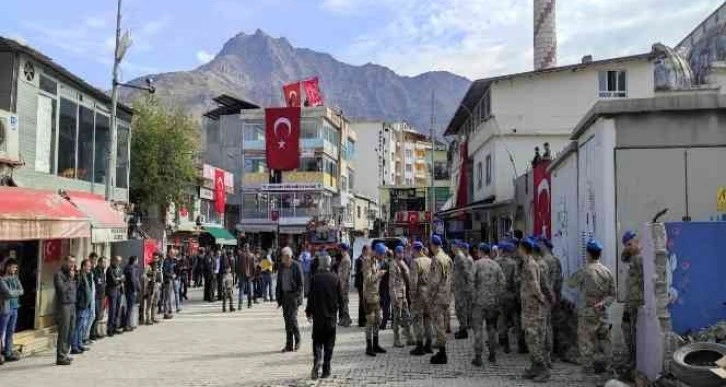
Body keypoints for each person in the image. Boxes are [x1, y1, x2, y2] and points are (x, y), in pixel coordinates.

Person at [568, 239, 616, 375]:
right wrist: (603, 303)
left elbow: (570, 283)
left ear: (588, 254)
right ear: (600, 254)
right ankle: (610, 368)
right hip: (602, 312)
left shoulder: (584, 271)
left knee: (586, 341)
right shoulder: (607, 272)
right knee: (605, 341)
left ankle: (588, 369)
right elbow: (613, 294)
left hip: (587, 313)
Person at [305, 253, 342, 380]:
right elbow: (341, 298)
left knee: (317, 342)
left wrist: (308, 312)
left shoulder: (315, 278)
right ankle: (326, 368)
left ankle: (317, 360)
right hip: (331, 317)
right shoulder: (335, 278)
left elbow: (310, 297)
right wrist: (342, 314)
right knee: (329, 344)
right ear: (329, 264)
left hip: (318, 317)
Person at [520, 237, 550, 382]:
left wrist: (541, 299)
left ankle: (543, 369)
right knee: (529, 338)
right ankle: (534, 367)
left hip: (533, 309)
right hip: (528, 307)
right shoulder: (527, 263)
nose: (518, 251)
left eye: (519, 248)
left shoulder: (530, 264)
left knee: (533, 339)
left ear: (523, 249)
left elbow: (534, 285)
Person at [470, 243, 505, 366]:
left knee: (478, 329)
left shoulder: (477, 264)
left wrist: (473, 298)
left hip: (479, 303)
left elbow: (470, 281)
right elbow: (502, 283)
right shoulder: (496, 265)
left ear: (480, 252)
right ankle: (492, 355)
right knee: (491, 328)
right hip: (492, 303)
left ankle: (478, 357)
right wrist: (497, 298)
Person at [427, 235, 453, 365]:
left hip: (437, 297)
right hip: (446, 295)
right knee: (442, 323)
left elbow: (434, 281)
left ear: (433, 245)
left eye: (430, 245)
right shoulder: (447, 258)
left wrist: (429, 295)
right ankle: (442, 352)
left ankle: (442, 354)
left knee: (439, 325)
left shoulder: (437, 259)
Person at [621, 230, 643, 379]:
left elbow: (644, 282)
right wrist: (629, 249)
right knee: (626, 328)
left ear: (636, 241)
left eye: (631, 243)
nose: (629, 247)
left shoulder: (640, 259)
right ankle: (631, 359)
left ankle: (634, 362)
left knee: (634, 333)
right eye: (626, 245)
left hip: (636, 302)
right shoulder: (632, 258)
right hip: (629, 302)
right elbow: (623, 258)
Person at [276, 246, 304, 352]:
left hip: (293, 297)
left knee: (292, 319)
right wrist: (278, 297)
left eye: (283, 257)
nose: (282, 259)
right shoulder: (281, 267)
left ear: (288, 257)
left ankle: (298, 340)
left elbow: (301, 284)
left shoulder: (296, 266)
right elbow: (279, 283)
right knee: (287, 321)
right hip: (285, 296)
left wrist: (297, 297)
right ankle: (289, 345)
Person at [409, 241, 433, 356]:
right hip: (429, 293)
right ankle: (429, 344)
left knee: (417, 319)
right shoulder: (430, 261)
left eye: (412, 250)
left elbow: (413, 281)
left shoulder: (415, 262)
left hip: (419, 294)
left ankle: (419, 346)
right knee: (428, 319)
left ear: (415, 250)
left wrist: (412, 296)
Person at [495, 241, 520, 354]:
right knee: (516, 319)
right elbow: (515, 281)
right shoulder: (513, 263)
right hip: (511, 295)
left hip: (500, 296)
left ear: (502, 251)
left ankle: (505, 344)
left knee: (502, 320)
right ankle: (521, 343)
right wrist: (517, 295)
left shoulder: (495, 263)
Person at [363, 243, 387, 356]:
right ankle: (369, 346)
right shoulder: (368, 262)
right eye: (382, 254)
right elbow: (368, 280)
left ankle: (376, 344)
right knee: (370, 321)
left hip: (376, 295)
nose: (384, 256)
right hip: (369, 297)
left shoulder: (376, 261)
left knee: (378, 320)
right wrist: (378, 274)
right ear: (377, 253)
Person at [54, 256, 77, 366]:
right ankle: (60, 356)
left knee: (70, 330)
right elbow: (62, 289)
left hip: (72, 304)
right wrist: (70, 279)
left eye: (74, 262)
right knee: (64, 331)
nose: (72, 264)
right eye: (70, 262)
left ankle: (65, 353)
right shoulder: (59, 275)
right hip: (64, 306)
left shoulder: (71, 274)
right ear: (65, 262)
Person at [389, 245, 414, 348]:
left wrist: (404, 269)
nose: (402, 254)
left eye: (402, 253)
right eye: (400, 253)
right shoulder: (393, 264)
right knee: (397, 318)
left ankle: (409, 338)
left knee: (406, 316)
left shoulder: (402, 263)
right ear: (396, 253)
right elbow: (391, 283)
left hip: (403, 294)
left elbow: (408, 278)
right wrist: (394, 296)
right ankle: (396, 339)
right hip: (397, 294)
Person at [0, 258, 24, 363]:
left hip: (15, 307)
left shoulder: (16, 278)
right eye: (13, 267)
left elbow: (22, 290)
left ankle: (8, 352)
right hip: (5, 308)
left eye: (16, 268)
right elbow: (8, 293)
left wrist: (13, 292)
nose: (14, 270)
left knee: (11, 331)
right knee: (1, 332)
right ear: (8, 267)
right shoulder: (2, 279)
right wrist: (15, 292)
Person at [452, 241, 473, 340]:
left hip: (461, 288)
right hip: (459, 287)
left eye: (452, 246)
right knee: (459, 309)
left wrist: (468, 286)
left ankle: (463, 330)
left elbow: (466, 272)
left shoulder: (459, 257)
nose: (451, 248)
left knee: (461, 309)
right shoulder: (458, 256)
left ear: (456, 247)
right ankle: (462, 328)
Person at [71, 259, 93, 354]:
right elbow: (76, 290)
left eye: (90, 266)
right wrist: (79, 301)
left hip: (86, 305)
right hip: (80, 305)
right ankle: (74, 346)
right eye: (88, 266)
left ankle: (79, 344)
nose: (89, 267)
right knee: (77, 326)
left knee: (81, 326)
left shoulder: (86, 276)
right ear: (83, 266)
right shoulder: (79, 276)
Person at [106, 256, 125, 337]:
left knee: (117, 310)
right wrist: (119, 279)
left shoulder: (119, 269)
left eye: (119, 261)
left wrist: (119, 279)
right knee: (112, 311)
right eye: (117, 261)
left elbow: (123, 278)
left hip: (119, 291)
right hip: (112, 291)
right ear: (113, 261)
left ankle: (115, 327)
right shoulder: (110, 269)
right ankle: (109, 329)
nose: (118, 263)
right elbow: (113, 281)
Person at [90, 256, 107, 339]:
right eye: (103, 262)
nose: (105, 264)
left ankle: (95, 331)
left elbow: (103, 284)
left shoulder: (102, 272)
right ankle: (91, 333)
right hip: (96, 297)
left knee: (99, 315)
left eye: (105, 262)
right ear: (99, 263)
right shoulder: (95, 271)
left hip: (102, 296)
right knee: (95, 315)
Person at [123, 256, 141, 331]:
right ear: (134, 261)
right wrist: (135, 290)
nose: (137, 262)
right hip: (131, 290)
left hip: (127, 290)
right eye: (137, 260)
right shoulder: (132, 268)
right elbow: (133, 280)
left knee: (129, 308)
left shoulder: (127, 267)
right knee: (129, 308)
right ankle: (127, 325)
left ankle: (127, 324)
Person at [337, 243, 352, 327]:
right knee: (342, 302)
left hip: (344, 285)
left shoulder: (346, 259)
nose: (340, 251)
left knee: (344, 302)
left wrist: (341, 286)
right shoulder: (344, 258)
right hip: (343, 283)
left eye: (341, 249)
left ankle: (347, 319)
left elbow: (345, 274)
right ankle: (344, 319)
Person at [83, 253, 97, 346]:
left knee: (92, 316)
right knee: (86, 318)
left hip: (92, 298)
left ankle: (86, 336)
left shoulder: (92, 272)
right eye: (93, 260)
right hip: (87, 300)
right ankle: (84, 337)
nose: (93, 262)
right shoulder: (85, 274)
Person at [354, 246, 368, 327]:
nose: (368, 252)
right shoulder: (360, 260)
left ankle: (363, 320)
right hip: (360, 283)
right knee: (362, 303)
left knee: (364, 302)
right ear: (364, 251)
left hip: (363, 283)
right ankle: (361, 321)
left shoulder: (363, 259)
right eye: (367, 251)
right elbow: (360, 272)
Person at [378, 250, 392, 330]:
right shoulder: (395, 263)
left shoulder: (385, 263)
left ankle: (383, 324)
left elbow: (380, 274)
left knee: (385, 306)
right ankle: (392, 323)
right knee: (390, 306)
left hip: (385, 287)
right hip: (392, 287)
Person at [162, 252, 176, 319]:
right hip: (167, 281)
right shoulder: (167, 261)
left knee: (169, 297)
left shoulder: (171, 261)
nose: (173, 255)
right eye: (172, 254)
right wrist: (171, 275)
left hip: (170, 280)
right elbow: (165, 272)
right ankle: (166, 313)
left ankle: (169, 311)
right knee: (167, 298)